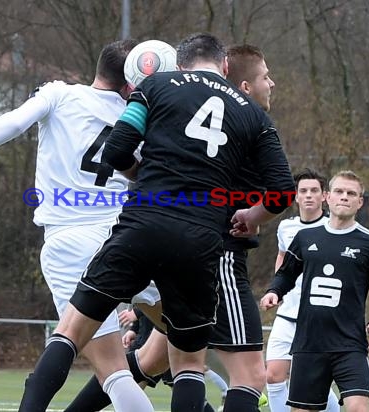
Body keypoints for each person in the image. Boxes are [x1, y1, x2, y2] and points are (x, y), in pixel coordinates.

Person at [17, 32, 294, 412]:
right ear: (224, 66)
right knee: (189, 366)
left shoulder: (154, 87)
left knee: (70, 333)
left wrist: (144, 177)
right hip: (200, 244)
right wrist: (251, 216)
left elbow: (117, 148)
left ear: (180, 63)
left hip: (141, 228)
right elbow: (281, 191)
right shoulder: (252, 113)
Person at [0, 40, 156, 412]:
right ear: (130, 84)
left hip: (69, 243)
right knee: (187, 341)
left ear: (99, 69)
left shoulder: (60, 95)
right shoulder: (138, 118)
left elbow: (12, 122)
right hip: (127, 238)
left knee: (111, 368)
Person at [259, 170, 369, 412]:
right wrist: (274, 292)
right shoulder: (304, 237)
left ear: (360, 201)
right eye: (339, 192)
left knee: (358, 408)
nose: (345, 197)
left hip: (350, 344)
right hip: (309, 343)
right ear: (329, 197)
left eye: (351, 193)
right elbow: (286, 274)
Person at [265, 168, 339, 412]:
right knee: (274, 375)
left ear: (325, 196)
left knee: (311, 379)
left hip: (318, 318)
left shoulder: (334, 227)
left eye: (314, 190)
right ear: (295, 197)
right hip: (288, 313)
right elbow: (282, 258)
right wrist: (278, 290)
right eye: (303, 191)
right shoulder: (286, 227)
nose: (309, 195)